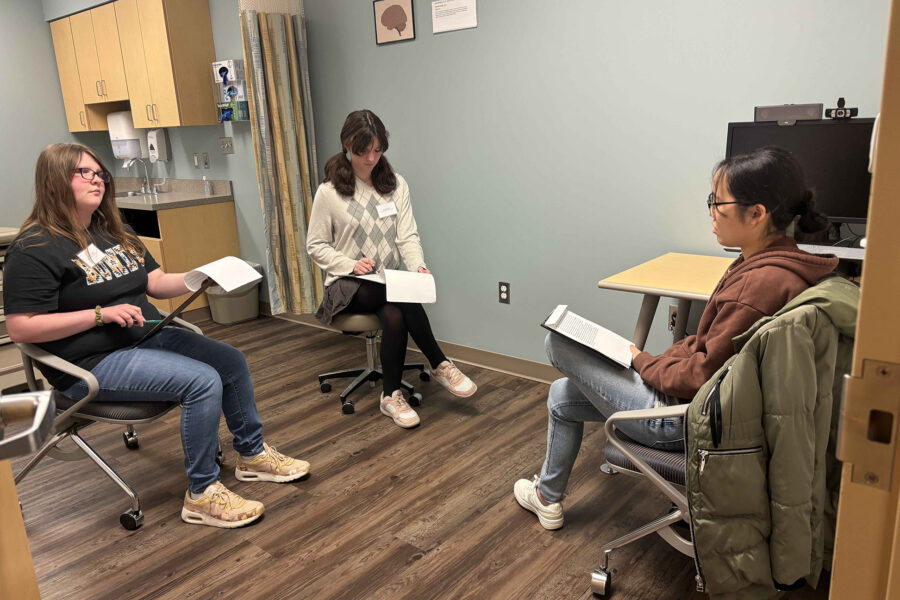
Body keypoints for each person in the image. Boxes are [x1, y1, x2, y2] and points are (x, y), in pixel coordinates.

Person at [514, 146, 839, 530]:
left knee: (557, 342)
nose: (711, 212)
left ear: (756, 214)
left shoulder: (757, 284)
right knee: (561, 395)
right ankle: (547, 499)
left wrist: (640, 360)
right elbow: (704, 347)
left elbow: (700, 375)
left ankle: (547, 497)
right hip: (702, 407)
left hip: (681, 421)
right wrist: (653, 362)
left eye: (718, 203)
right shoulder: (776, 265)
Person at [4, 143, 310, 529]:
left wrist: (200, 277)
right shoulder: (34, 248)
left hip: (146, 335)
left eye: (100, 173)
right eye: (85, 172)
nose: (97, 180)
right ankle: (202, 494)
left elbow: (156, 282)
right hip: (90, 362)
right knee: (202, 381)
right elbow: (21, 326)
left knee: (230, 361)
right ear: (54, 181)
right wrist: (99, 315)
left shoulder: (112, 229)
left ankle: (251, 455)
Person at [306, 109, 476, 428]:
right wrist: (350, 264)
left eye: (377, 150)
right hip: (348, 284)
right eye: (363, 151)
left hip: (388, 283)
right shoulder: (329, 192)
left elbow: (407, 236)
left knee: (395, 311)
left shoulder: (396, 185)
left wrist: (418, 266)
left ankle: (390, 397)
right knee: (398, 296)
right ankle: (439, 362)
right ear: (347, 145)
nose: (371, 159)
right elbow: (315, 246)